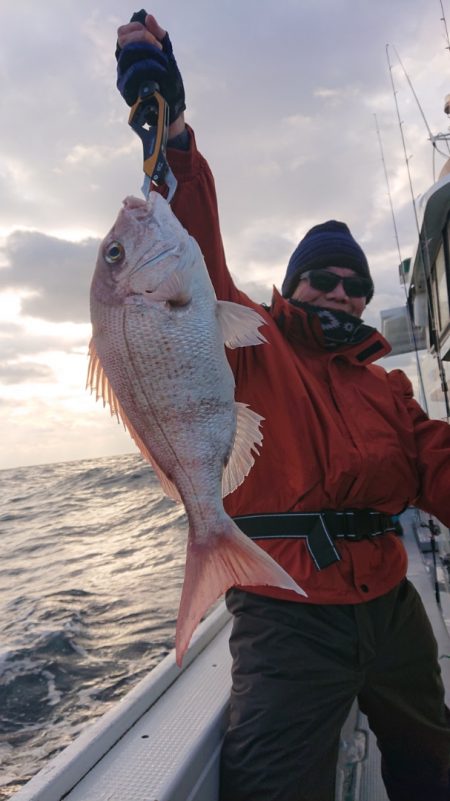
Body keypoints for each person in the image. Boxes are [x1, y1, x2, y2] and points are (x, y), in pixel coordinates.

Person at [116, 14, 450, 801]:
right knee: (270, 785)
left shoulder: (387, 386)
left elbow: (437, 462)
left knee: (434, 768)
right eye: (322, 279)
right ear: (293, 285)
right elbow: (189, 246)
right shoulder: (251, 340)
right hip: (286, 610)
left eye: (352, 286)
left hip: (392, 603)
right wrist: (171, 130)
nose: (338, 293)